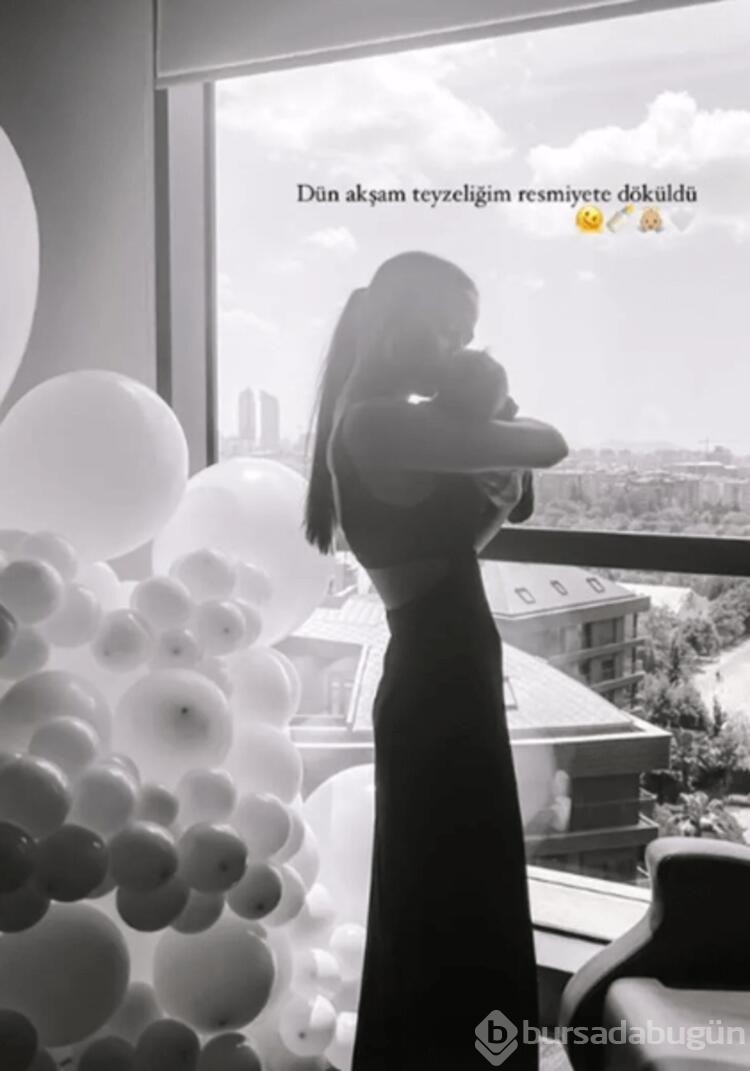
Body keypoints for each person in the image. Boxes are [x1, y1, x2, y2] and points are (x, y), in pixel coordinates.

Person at [303, 250, 568, 1070]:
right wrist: (496, 399)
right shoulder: (378, 422)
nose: (458, 346)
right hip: (440, 685)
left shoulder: (385, 420)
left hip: (444, 676)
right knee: (455, 893)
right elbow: (550, 444)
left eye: (467, 332)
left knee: (446, 889)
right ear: (399, 320)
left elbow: (463, 539)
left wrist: (489, 471)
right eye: (449, 327)